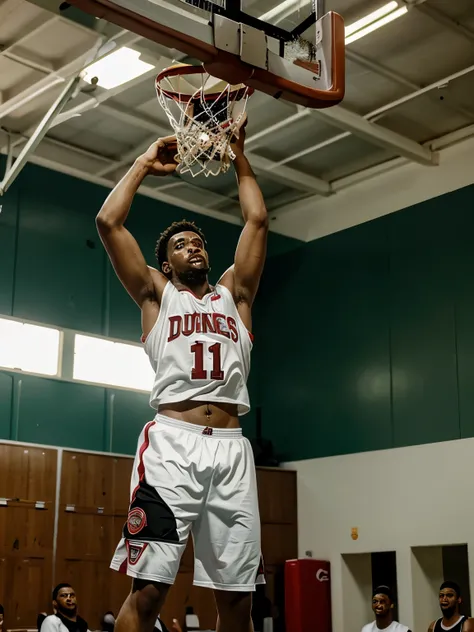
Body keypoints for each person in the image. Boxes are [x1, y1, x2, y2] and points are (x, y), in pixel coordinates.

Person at [96, 123, 268, 632]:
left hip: (233, 450)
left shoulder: (234, 295)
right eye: (181, 245)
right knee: (149, 592)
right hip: (174, 446)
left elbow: (256, 218)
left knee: (239, 599)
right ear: (164, 264)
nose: (194, 248)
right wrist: (145, 163)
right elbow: (108, 221)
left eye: (198, 242)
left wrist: (238, 155)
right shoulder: (156, 295)